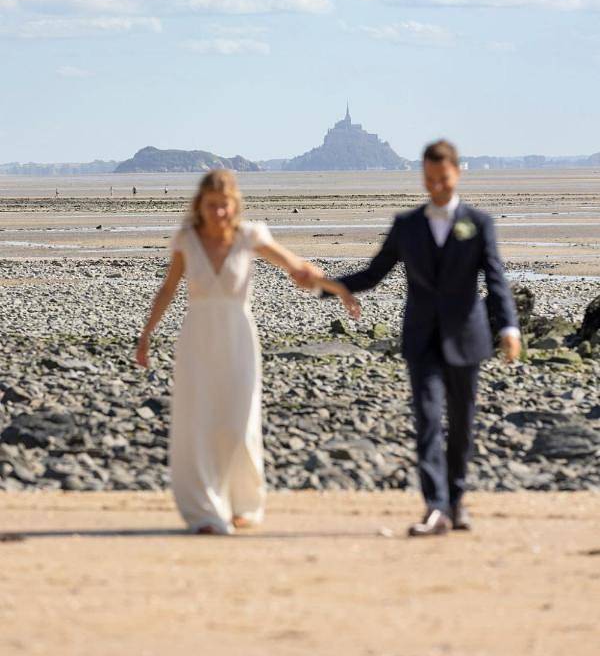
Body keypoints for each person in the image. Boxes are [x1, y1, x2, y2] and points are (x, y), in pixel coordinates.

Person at [295, 139, 520, 536]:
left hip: (467, 338)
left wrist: (509, 327)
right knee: (429, 420)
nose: (436, 187)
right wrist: (323, 285)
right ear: (423, 177)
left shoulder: (479, 224)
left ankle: (456, 500)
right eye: (430, 179)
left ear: (457, 173)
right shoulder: (407, 226)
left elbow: (497, 281)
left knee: (463, 424)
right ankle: (434, 507)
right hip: (421, 340)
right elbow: (372, 274)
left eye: (443, 179)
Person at [136, 169, 358, 535]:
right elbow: (168, 289)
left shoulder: (250, 236)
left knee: (239, 424)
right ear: (200, 205)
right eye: (211, 205)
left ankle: (243, 505)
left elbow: (296, 266)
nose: (218, 213)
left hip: (238, 338)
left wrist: (339, 290)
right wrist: (147, 334)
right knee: (200, 424)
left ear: (234, 205)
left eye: (224, 206)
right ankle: (206, 512)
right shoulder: (187, 239)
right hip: (198, 340)